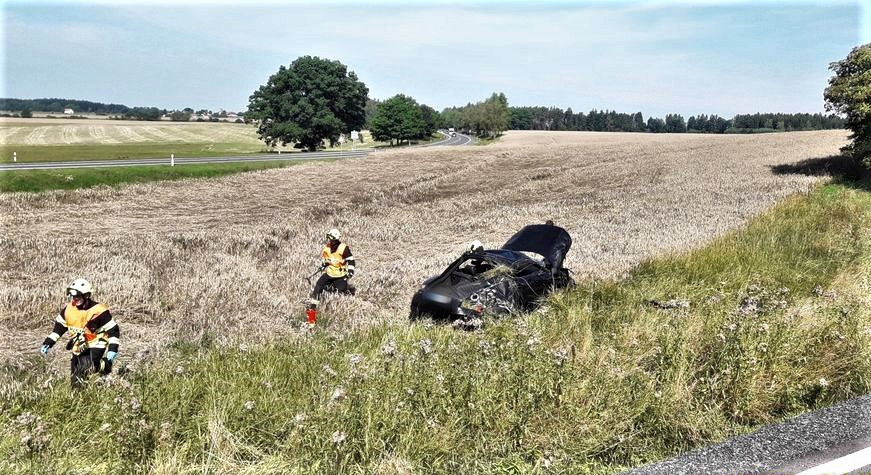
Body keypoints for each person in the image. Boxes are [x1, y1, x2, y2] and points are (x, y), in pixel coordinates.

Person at [40, 278, 120, 386]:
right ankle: (80, 394)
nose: (75, 299)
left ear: (86, 295)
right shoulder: (69, 309)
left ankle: (105, 365)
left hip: (96, 343)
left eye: (78, 296)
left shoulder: (99, 311)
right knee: (75, 378)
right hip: (79, 345)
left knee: (84, 368)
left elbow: (113, 330)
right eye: (73, 296)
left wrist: (113, 348)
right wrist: (48, 343)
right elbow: (59, 328)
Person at [306, 228, 356, 324]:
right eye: (329, 238)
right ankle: (312, 313)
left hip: (340, 275)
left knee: (341, 294)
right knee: (317, 288)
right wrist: (323, 265)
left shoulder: (343, 248)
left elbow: (351, 261)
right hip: (329, 273)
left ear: (336, 239)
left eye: (332, 239)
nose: (330, 241)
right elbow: (328, 260)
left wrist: (350, 271)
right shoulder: (327, 247)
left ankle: (339, 316)